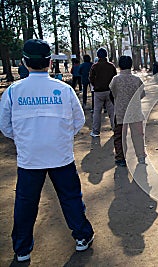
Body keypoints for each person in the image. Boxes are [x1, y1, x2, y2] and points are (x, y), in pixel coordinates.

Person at [0, 39, 94, 262]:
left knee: (25, 203)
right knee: (70, 198)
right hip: (60, 156)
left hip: (29, 159)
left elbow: (5, 126)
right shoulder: (63, 90)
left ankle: (22, 249)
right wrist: (59, 137)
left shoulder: (13, 92)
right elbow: (79, 121)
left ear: (24, 62)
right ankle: (82, 236)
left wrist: (26, 139)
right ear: (50, 62)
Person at [110, 56, 146, 167]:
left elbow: (112, 93)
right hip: (135, 113)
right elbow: (142, 94)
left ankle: (120, 158)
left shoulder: (116, 79)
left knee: (120, 136)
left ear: (119, 65)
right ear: (130, 65)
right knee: (138, 135)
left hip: (121, 113)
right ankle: (140, 157)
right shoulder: (136, 79)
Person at [89, 47, 117, 137]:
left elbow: (91, 79)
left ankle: (96, 131)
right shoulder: (111, 66)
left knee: (97, 112)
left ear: (97, 56)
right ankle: (115, 129)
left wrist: (96, 85)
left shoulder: (94, 66)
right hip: (109, 91)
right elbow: (115, 78)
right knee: (112, 112)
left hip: (98, 92)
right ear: (106, 55)